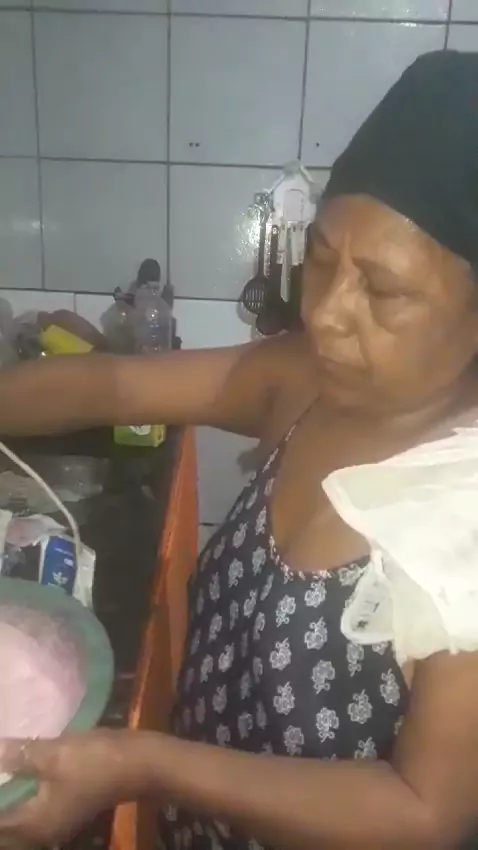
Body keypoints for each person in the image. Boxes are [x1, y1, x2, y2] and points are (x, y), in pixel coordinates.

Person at [1, 49, 478, 850]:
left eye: (383, 290)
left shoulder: (462, 514)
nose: (326, 313)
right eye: (321, 261)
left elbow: (423, 813)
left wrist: (145, 765)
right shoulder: (307, 382)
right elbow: (116, 386)